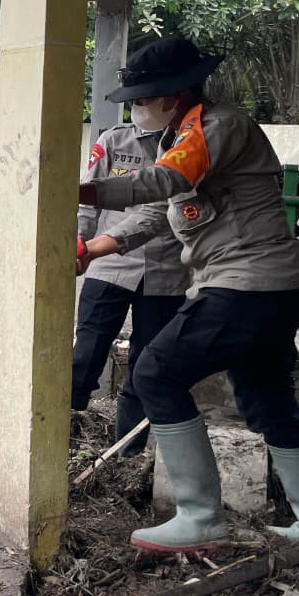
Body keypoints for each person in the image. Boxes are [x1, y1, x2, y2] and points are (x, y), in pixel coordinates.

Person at [77, 37, 299, 554]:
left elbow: (163, 181)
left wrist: (79, 189)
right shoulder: (183, 135)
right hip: (269, 288)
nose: (136, 109)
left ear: (170, 96)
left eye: (140, 99)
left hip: (246, 285)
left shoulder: (219, 126)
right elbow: (159, 212)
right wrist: (92, 249)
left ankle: (200, 516)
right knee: (266, 399)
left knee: (154, 372)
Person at [74, 122, 190, 454]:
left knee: (147, 364)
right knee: (86, 353)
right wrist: (78, 247)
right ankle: (64, 439)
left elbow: (161, 212)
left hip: (166, 271)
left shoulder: (187, 143)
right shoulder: (114, 138)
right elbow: (87, 201)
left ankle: (127, 454)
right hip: (109, 263)